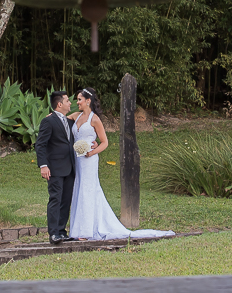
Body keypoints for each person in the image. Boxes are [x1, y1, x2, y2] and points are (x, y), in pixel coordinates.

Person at [68, 88, 175, 241]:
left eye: (79, 99)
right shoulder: (76, 116)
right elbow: (61, 118)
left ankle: (86, 231)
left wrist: (92, 152)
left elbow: (105, 142)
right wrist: (52, 115)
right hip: (77, 159)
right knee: (79, 189)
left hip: (89, 160)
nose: (77, 102)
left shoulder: (94, 119)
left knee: (88, 190)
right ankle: (78, 229)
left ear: (88, 101)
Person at [35, 90, 77, 244]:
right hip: (55, 168)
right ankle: (53, 233)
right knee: (55, 199)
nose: (70, 103)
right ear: (59, 104)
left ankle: (61, 231)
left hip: (70, 167)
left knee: (66, 200)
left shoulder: (70, 121)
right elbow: (40, 144)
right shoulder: (49, 121)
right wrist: (43, 165)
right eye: (67, 101)